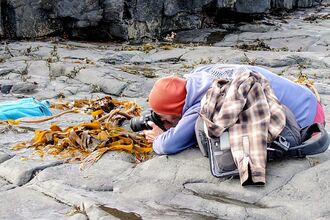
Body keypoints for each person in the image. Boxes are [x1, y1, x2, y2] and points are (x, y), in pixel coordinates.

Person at [143, 64, 325, 155]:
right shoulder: (202, 73)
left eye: (166, 119)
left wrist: (159, 137)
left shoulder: (202, 101)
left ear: (177, 108)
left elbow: (168, 145)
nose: (166, 123)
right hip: (308, 98)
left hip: (306, 122)